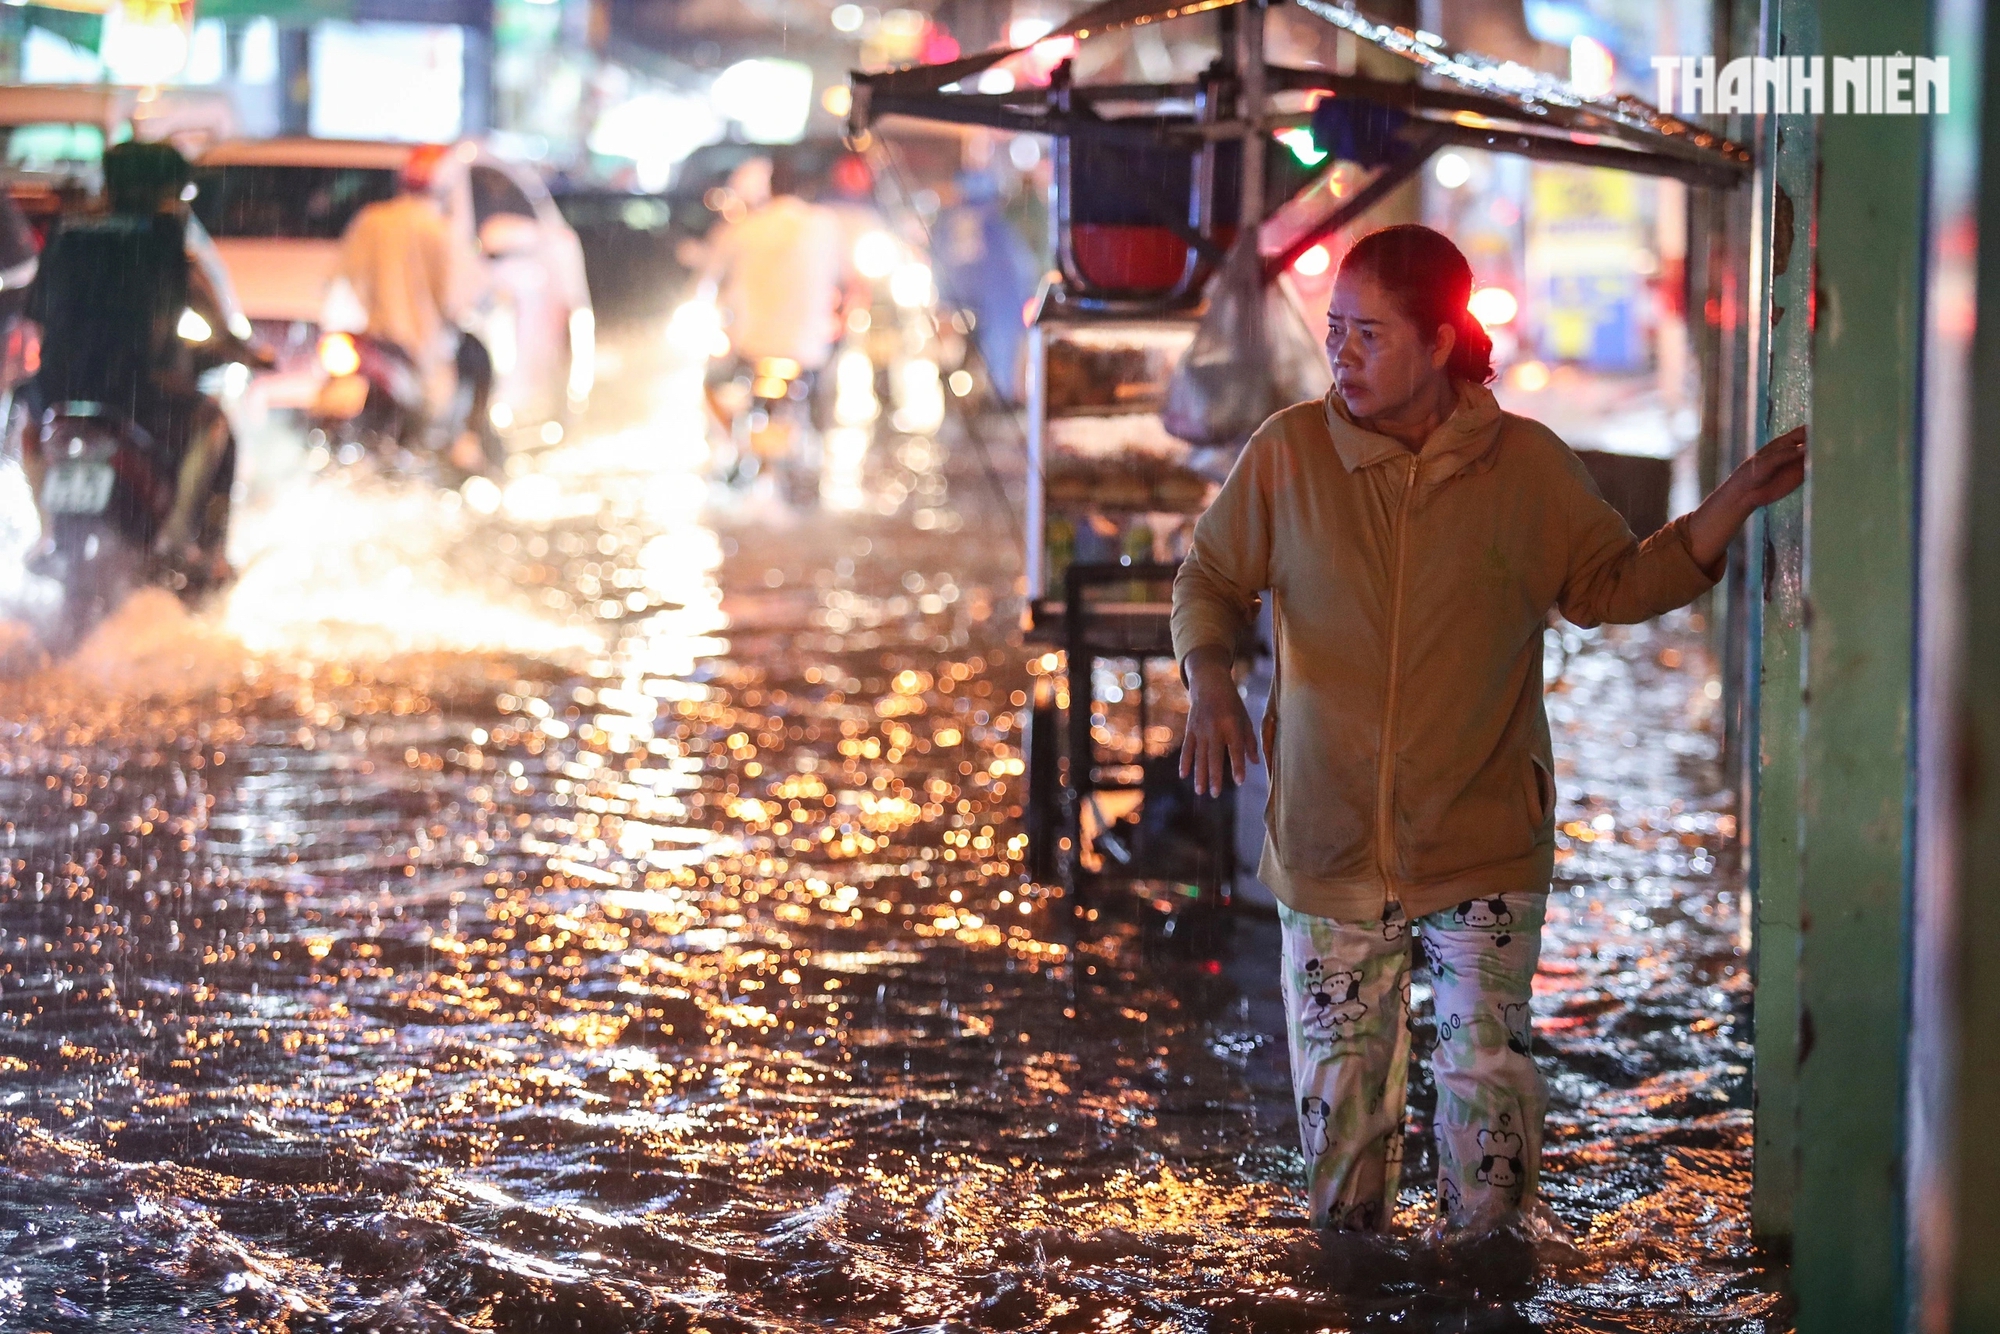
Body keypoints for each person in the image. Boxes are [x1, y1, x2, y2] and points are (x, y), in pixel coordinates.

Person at [1171, 224, 1805, 1237]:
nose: (1339, 353)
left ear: (1438, 340)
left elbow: (1608, 583)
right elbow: (1208, 575)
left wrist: (1723, 507)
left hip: (1481, 846)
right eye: (1334, 329)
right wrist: (1207, 678)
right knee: (1341, 1155)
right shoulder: (1287, 454)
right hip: (1326, 843)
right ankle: (1355, 1284)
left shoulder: (1525, 468)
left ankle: (1488, 1283)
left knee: (1486, 1119)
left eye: (1367, 335)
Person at [19, 140, 254, 575]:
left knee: (29, 425)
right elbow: (201, 302)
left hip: (61, 389)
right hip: (140, 391)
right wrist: (245, 352)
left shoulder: (68, 232)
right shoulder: (167, 235)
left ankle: (47, 534)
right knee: (214, 422)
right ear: (165, 187)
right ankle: (179, 542)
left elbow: (37, 314)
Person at [335, 143, 491, 468]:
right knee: (479, 360)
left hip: (373, 345)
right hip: (423, 354)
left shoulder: (371, 221)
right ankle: (465, 442)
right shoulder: (443, 231)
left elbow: (342, 284)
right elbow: (458, 303)